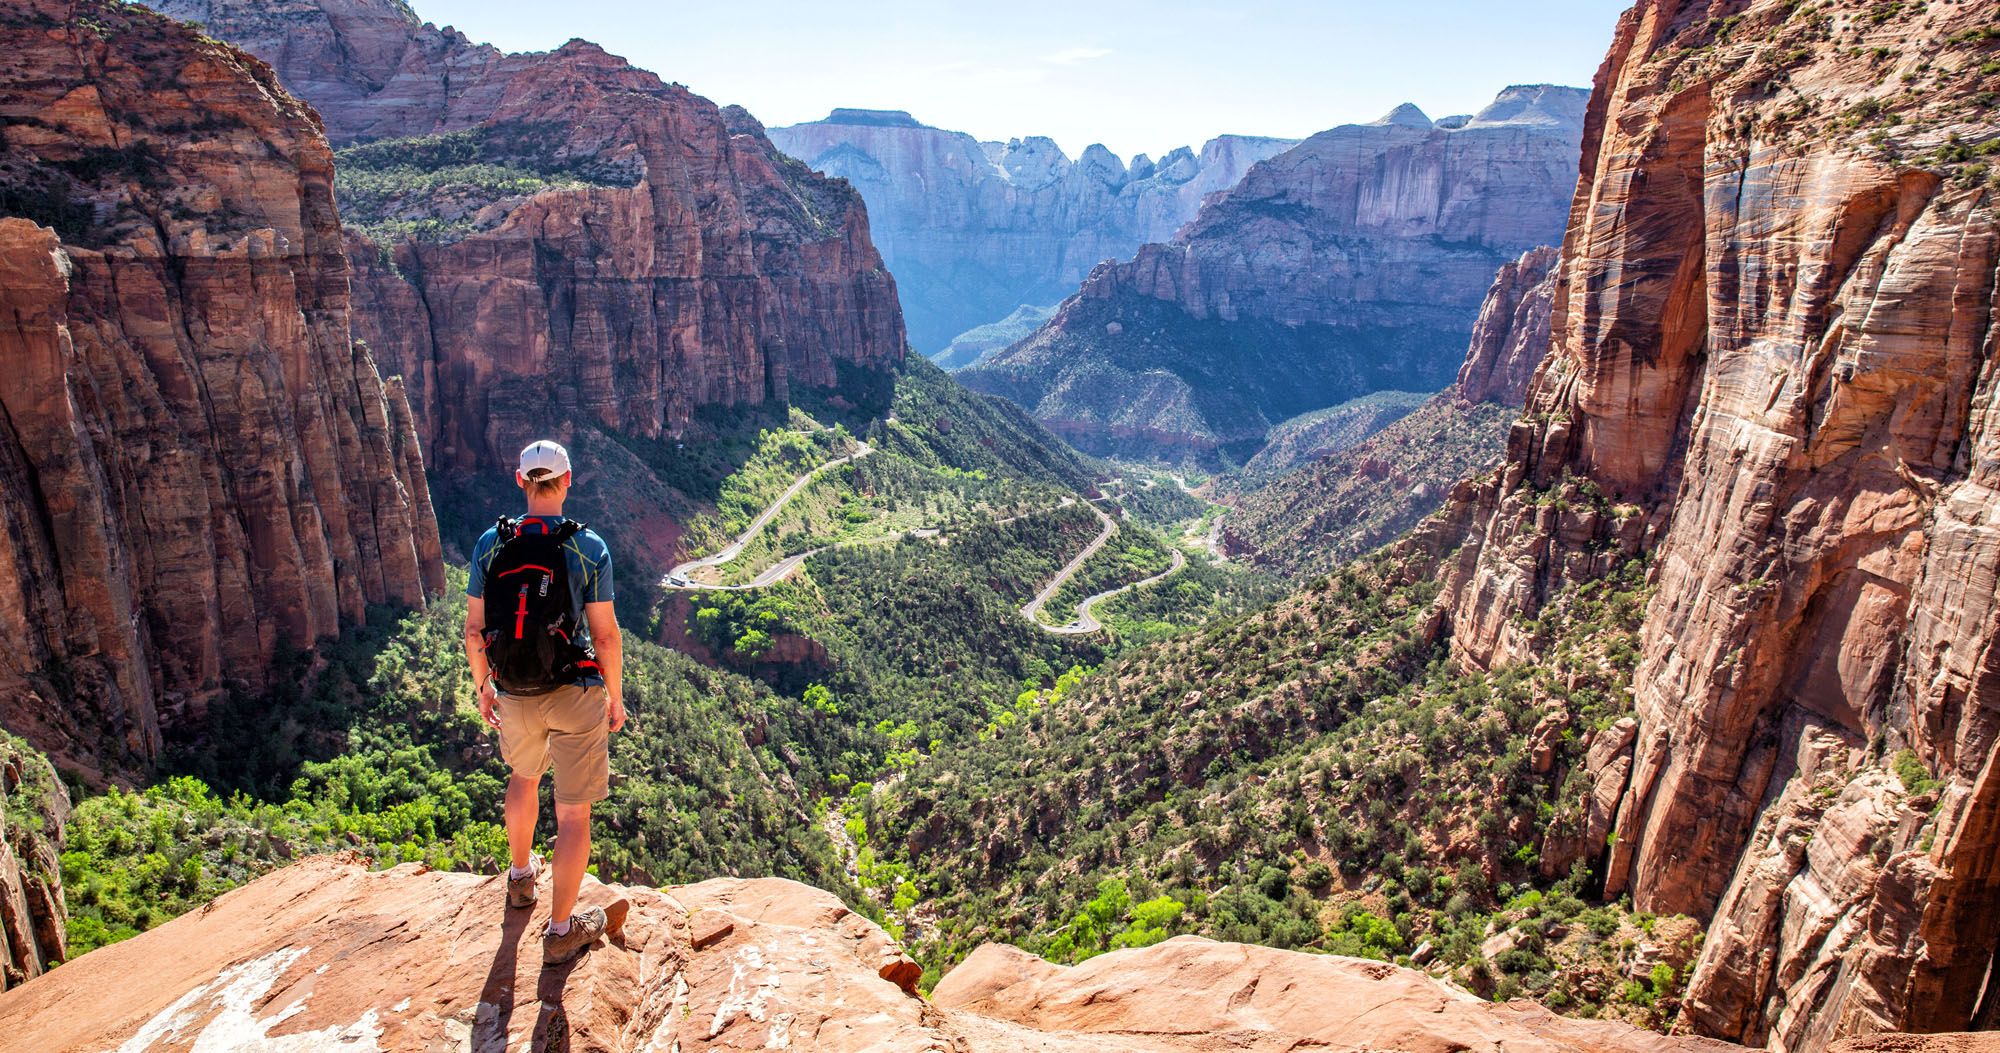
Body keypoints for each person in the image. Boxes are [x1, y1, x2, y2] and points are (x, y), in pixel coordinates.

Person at [464, 439, 628, 963]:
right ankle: (560, 931)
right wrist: (616, 698)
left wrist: (483, 687)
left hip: (513, 688)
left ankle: (518, 879)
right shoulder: (588, 546)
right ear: (568, 480)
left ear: (520, 481)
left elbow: (473, 630)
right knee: (574, 814)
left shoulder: (491, 543)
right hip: (574, 690)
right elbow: (605, 637)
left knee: (523, 778)